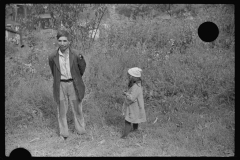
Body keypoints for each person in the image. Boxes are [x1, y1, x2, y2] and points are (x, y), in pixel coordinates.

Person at [48, 30, 86, 140]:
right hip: (60, 85)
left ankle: (80, 131)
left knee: (77, 108)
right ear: (57, 41)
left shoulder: (76, 55)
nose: (62, 43)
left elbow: (82, 68)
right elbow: (53, 71)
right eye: (60, 40)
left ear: (69, 42)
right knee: (61, 110)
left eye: (65, 41)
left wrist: (76, 77)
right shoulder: (52, 56)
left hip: (73, 84)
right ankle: (64, 133)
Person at [121, 67, 147, 138]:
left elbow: (132, 98)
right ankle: (135, 131)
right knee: (136, 119)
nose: (129, 76)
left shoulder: (136, 86)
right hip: (136, 106)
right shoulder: (138, 85)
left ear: (133, 77)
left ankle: (125, 135)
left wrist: (126, 94)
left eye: (130, 75)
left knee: (128, 120)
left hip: (134, 107)